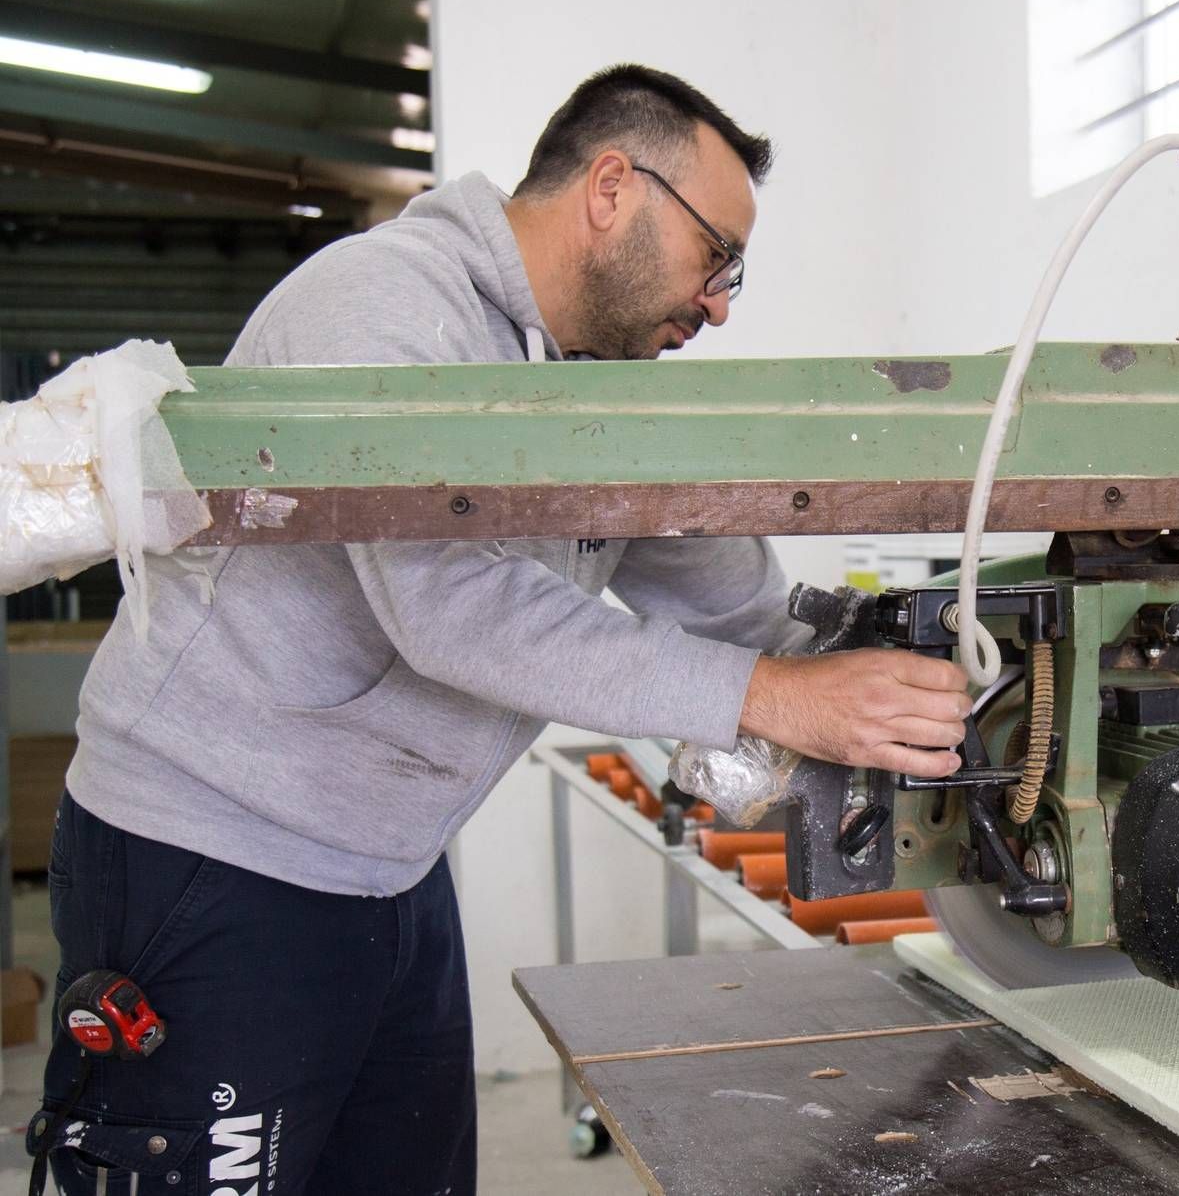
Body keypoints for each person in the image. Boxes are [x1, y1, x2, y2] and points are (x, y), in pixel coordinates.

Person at [30, 64, 971, 1195]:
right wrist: (769, 694)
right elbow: (452, 607)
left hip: (391, 868)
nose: (720, 301)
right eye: (716, 255)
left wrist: (889, 680)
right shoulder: (382, 303)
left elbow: (734, 607)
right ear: (613, 187)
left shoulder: (600, 385)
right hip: (213, 854)